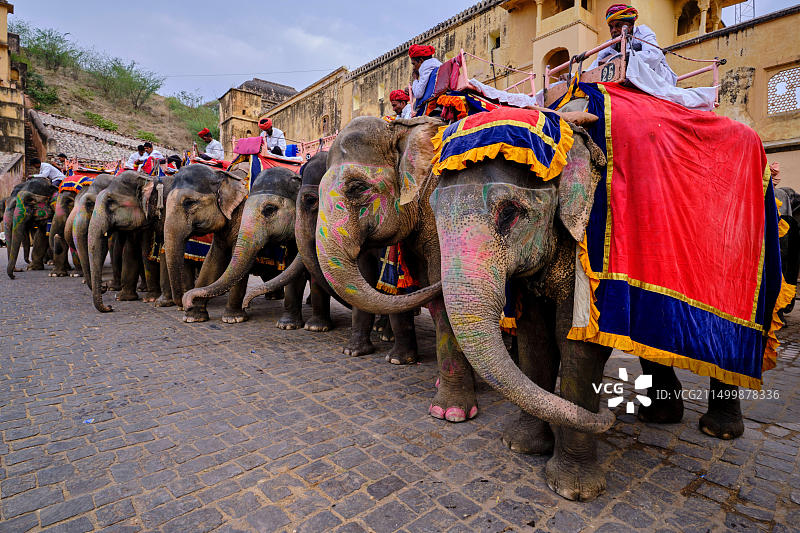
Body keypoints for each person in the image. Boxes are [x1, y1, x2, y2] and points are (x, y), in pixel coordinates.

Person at [589, 3, 716, 110]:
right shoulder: (610, 44)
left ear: (630, 25)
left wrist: (630, 58)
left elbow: (654, 55)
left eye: (618, 25)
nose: (613, 30)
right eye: (611, 27)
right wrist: (576, 76)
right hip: (629, 79)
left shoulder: (643, 32)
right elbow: (595, 64)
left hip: (657, 75)